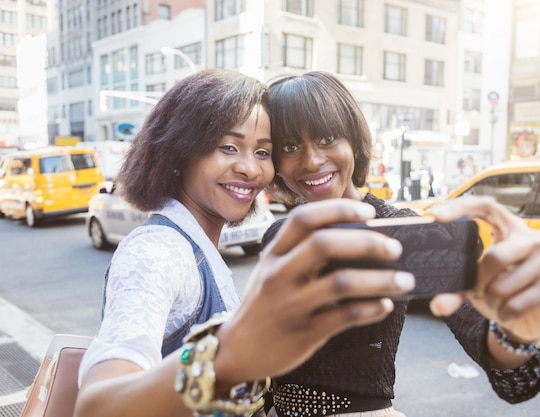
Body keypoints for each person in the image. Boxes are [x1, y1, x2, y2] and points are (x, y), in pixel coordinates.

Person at [74, 68, 419, 417]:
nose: (249, 169)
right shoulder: (159, 253)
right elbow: (97, 408)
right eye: (228, 147)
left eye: (263, 152)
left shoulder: (203, 248)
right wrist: (227, 358)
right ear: (179, 152)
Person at [263, 71, 540, 417]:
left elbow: (485, 339)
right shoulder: (277, 236)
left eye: (328, 138)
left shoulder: (404, 230)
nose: (312, 160)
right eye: (289, 146)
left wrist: (519, 329)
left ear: (353, 139)